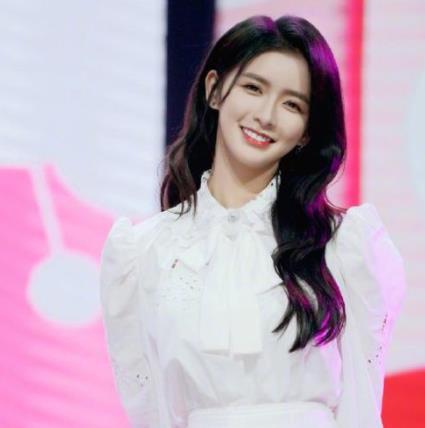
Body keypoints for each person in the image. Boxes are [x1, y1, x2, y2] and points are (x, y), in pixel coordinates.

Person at [99, 14, 406, 428]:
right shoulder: (145, 252)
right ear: (214, 90)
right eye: (253, 88)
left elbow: (361, 408)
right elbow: (151, 411)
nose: (266, 115)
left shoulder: (342, 245)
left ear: (306, 131)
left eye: (292, 104)